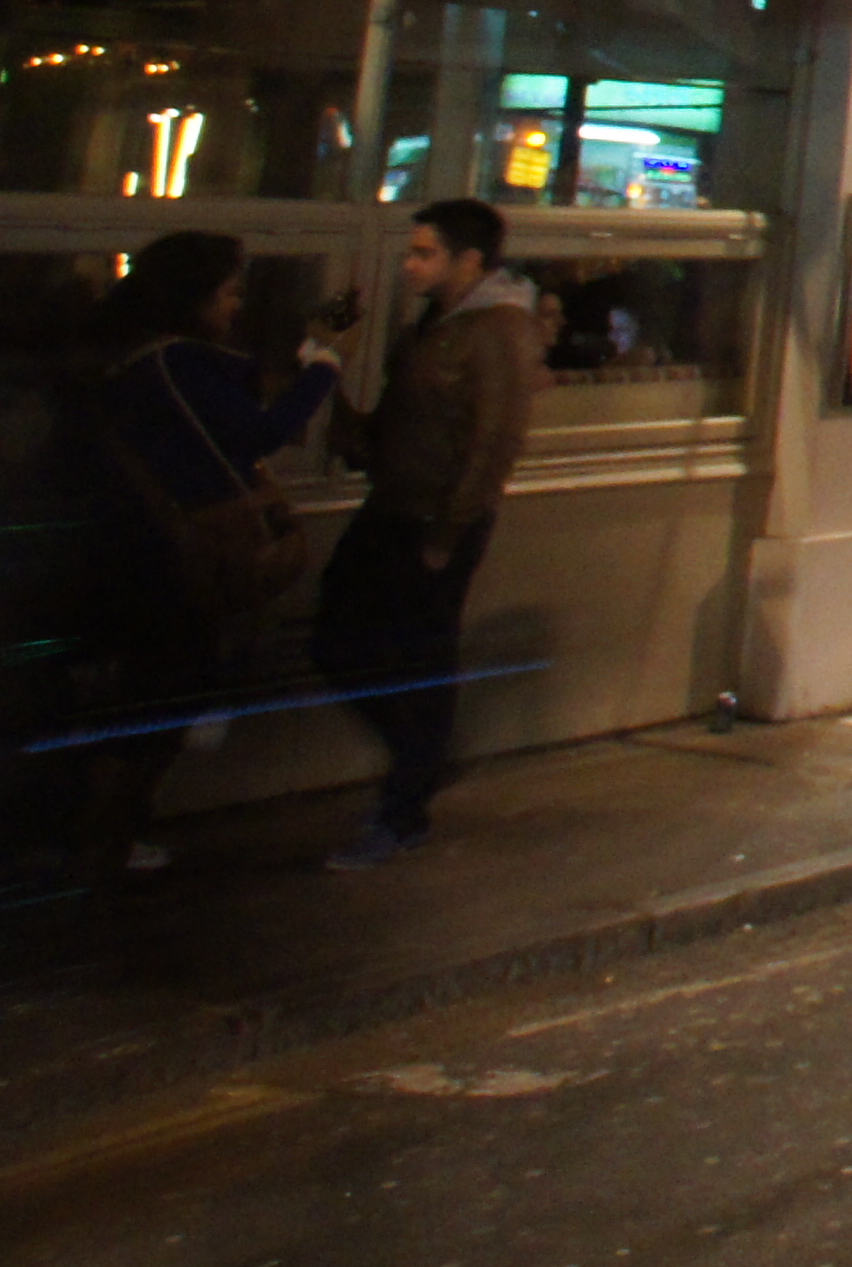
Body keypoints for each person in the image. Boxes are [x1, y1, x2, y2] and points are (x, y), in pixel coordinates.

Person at [82, 233, 336, 880]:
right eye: (227, 293)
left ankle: (109, 835)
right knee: (162, 696)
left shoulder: (134, 360)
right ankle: (107, 840)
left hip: (142, 548)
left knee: (153, 694)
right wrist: (325, 367)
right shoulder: (176, 365)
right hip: (170, 555)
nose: (235, 306)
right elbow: (258, 433)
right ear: (191, 297)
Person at [318, 200, 544, 867]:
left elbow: (495, 439)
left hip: (432, 517)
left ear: (469, 261)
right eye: (411, 252)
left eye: (425, 254)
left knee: (418, 658)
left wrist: (449, 531)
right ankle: (416, 763)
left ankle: (405, 801)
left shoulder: (497, 329)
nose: (411, 266)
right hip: (393, 505)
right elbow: (398, 424)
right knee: (338, 642)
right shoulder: (434, 325)